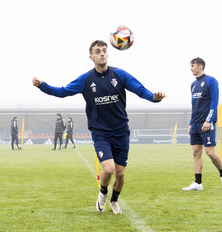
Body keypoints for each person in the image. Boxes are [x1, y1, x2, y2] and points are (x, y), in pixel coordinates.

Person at [32, 40, 165, 214]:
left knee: (120, 174)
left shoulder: (120, 75)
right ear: (91, 57)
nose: (102, 53)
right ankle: (103, 192)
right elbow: (63, 92)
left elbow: (141, 90)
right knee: (108, 169)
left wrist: (154, 98)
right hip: (100, 132)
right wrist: (43, 86)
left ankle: (114, 201)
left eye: (104, 50)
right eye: (98, 51)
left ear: (107, 54)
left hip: (121, 131)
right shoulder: (86, 80)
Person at [182, 57, 222, 191]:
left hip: (207, 123)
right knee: (196, 152)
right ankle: (198, 183)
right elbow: (194, 106)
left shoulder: (211, 81)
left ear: (200, 66)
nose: (191, 68)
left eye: (193, 66)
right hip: (196, 123)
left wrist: (208, 120)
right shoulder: (193, 85)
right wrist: (191, 123)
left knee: (210, 153)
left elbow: (214, 101)